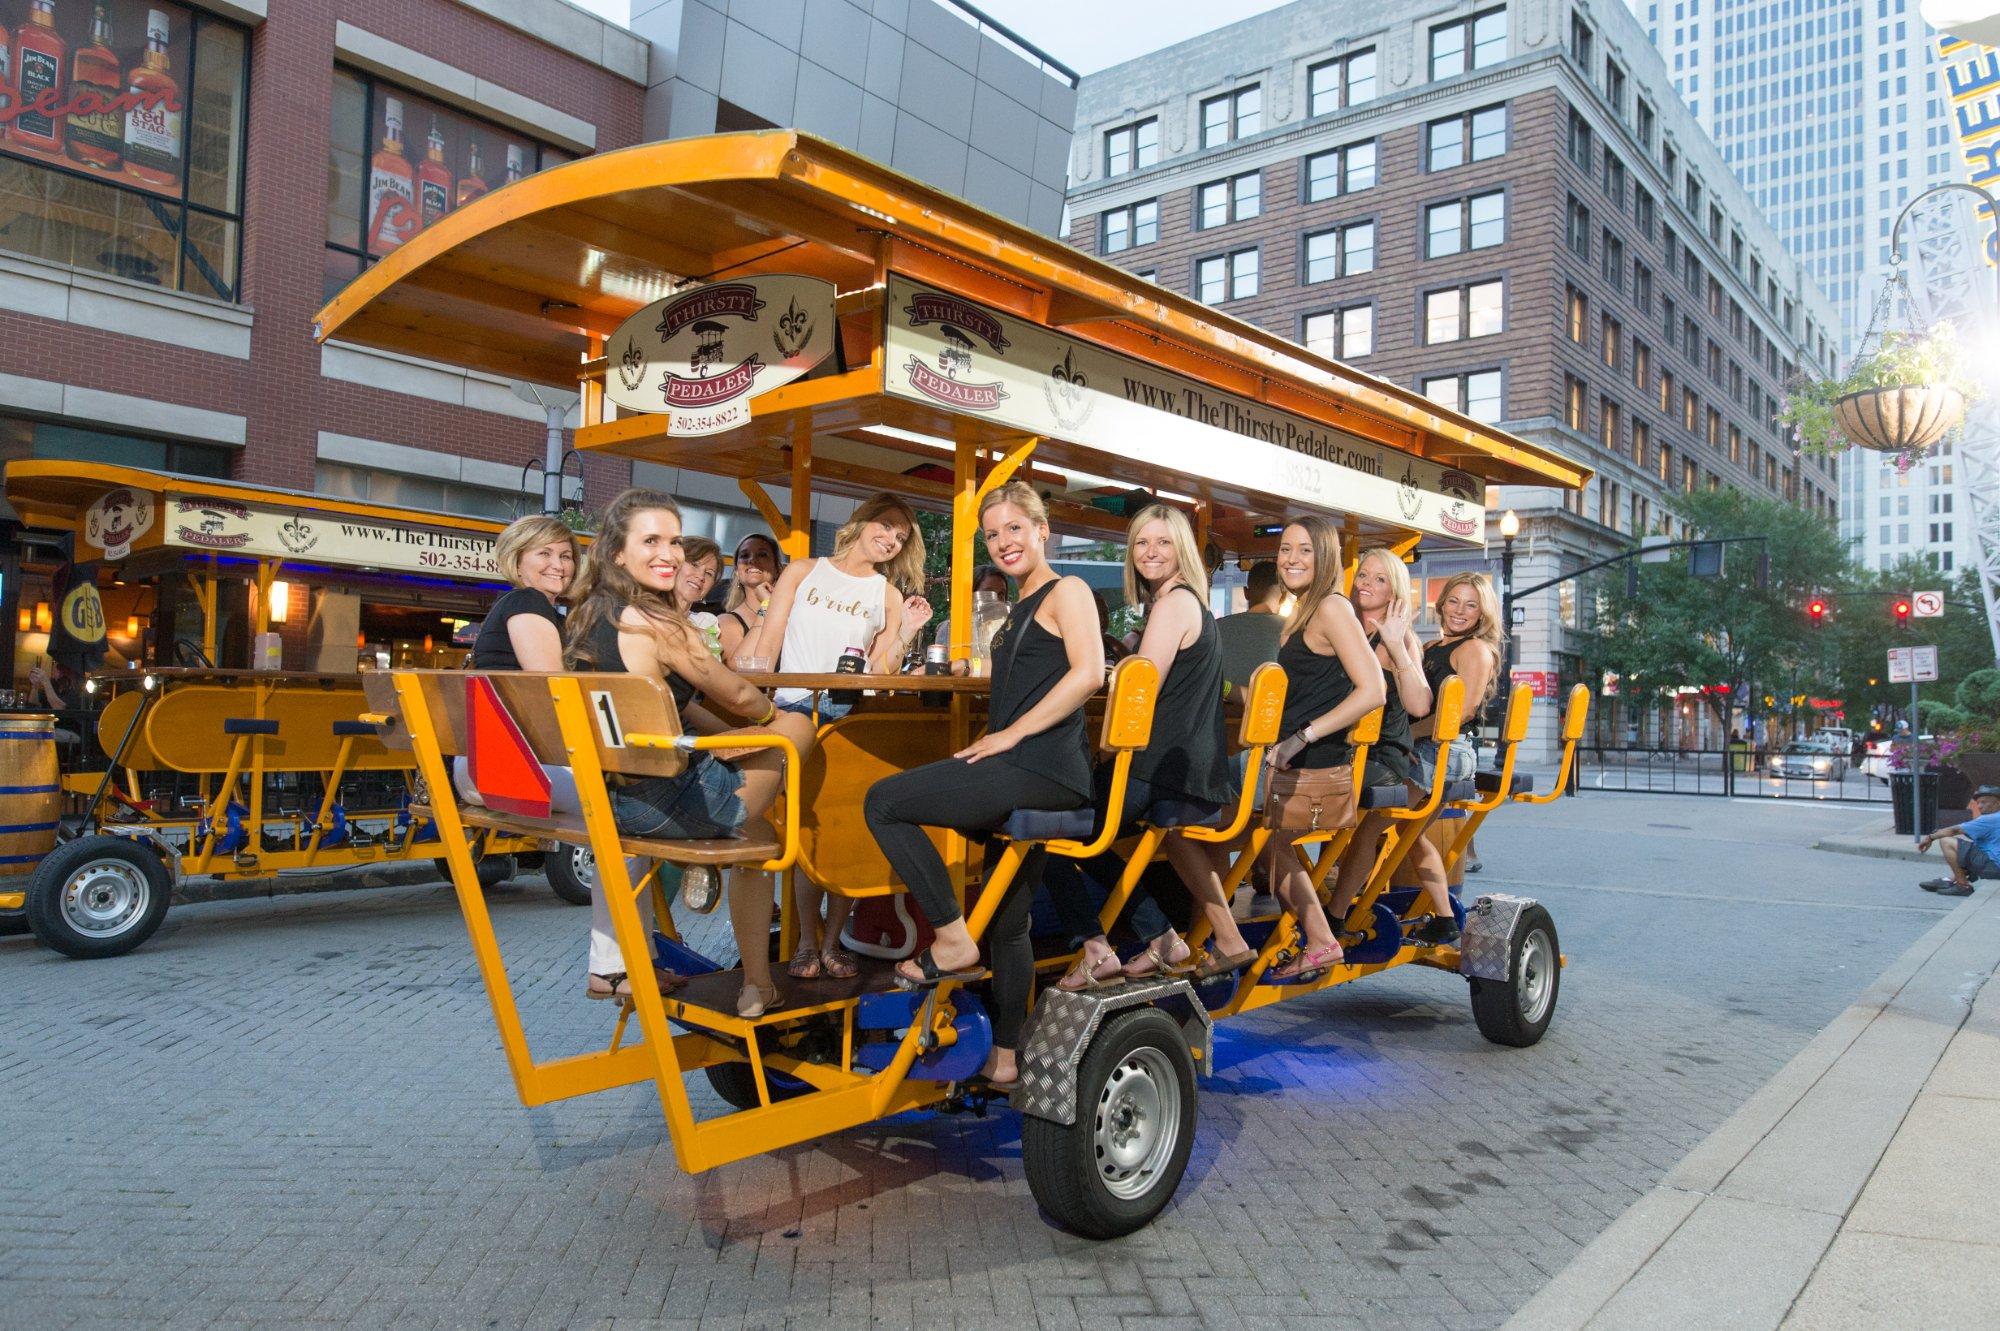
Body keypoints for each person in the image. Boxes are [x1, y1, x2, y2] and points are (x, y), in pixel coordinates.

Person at [862, 481, 1100, 1087]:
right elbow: (1033, 670)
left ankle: (948, 939)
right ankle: (1008, 1057)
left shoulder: (1066, 589)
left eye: (1014, 529)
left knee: (884, 801)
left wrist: (1011, 734)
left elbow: (1089, 673)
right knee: (1011, 921)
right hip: (1028, 767)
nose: (1003, 543)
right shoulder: (1021, 604)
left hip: (1042, 767)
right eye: (992, 535)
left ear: (1042, 531)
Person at [565, 488, 818, 1018]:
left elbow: (676, 710)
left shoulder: (586, 616)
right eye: (651, 540)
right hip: (667, 806)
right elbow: (742, 696)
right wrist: (773, 724)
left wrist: (733, 739)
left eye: (674, 540)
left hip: (609, 797)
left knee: (752, 799)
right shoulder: (659, 622)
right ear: (617, 553)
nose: (670, 553)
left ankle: (756, 979)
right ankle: (766, 973)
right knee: (795, 737)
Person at [1047, 505, 1255, 989]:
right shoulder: (1186, 603)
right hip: (1185, 764)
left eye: (1162, 542)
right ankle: (1181, 938)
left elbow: (1142, 688)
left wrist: (1096, 682)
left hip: (1155, 765)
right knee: (1102, 836)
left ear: (1181, 548)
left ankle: (1098, 949)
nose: (1150, 552)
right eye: (1142, 543)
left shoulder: (1173, 604)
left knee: (1045, 834)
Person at [742, 492, 933, 980]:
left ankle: (830, 941)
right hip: (792, 709)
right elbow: (769, 643)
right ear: (862, 521)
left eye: (901, 535)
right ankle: (807, 938)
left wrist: (907, 630)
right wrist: (756, 705)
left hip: (847, 712)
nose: (891, 538)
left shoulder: (886, 593)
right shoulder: (804, 571)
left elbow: (880, 670)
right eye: (886, 525)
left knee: (839, 829)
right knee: (807, 832)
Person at [1259, 517, 1387, 981]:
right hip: (1292, 759)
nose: (1291, 559)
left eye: (1305, 550)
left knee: (1241, 832)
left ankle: (1316, 938)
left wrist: (1302, 735)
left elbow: (1373, 689)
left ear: (1326, 556)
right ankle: (1314, 937)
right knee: (1259, 842)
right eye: (1285, 549)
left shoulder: (1331, 607)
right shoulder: (1306, 608)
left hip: (1311, 765)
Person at [1322, 548, 1461, 948]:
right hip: (1360, 751)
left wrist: (1398, 645)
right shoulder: (1353, 629)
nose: (1365, 583)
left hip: (1387, 757)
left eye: (1379, 579)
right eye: (1363, 575)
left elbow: (1419, 704)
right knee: (1392, 834)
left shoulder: (1396, 639)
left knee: (1368, 830)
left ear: (1395, 592)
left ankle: (1334, 915)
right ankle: (1330, 908)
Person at [1408, 572, 1502, 893]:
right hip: (1424, 745)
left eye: (1471, 605)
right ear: (1442, 602)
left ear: (1482, 613)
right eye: (1454, 601)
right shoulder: (1430, 646)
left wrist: (1406, 735)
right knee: (1408, 833)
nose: (1460, 611)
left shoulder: (1474, 649)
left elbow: (1464, 711)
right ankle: (1444, 915)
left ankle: (1337, 908)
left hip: (1445, 750)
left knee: (1375, 820)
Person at [1917, 785, 2000, 896]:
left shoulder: (1990, 818)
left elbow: (1954, 830)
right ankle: (1950, 880)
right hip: (1995, 864)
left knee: (1946, 841)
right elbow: (1969, 834)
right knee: (1969, 848)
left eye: (1984, 802)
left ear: (1998, 803)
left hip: (1994, 866)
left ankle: (1962, 885)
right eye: (1978, 802)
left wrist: (1930, 837)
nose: (1979, 806)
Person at [1217, 559, 1285, 693]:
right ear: (1284, 597)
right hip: (1271, 711)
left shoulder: (1216, 627)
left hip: (1223, 711)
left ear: (1246, 593)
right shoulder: (1292, 630)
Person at [718, 533, 782, 665]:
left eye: (762, 555)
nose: (752, 560)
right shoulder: (726, 621)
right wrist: (766, 605)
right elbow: (737, 667)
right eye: (744, 555)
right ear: (736, 570)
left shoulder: (792, 615)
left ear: (776, 569)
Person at [675, 536, 724, 658]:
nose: (701, 576)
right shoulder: (643, 614)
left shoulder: (706, 623)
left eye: (709, 573)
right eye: (695, 565)